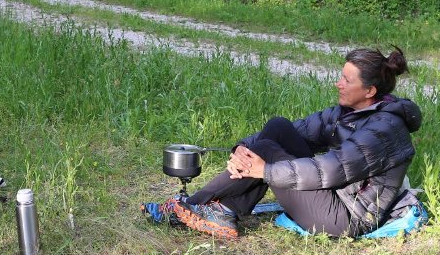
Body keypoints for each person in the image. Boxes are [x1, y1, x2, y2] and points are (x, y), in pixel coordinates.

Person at [166, 47, 422, 240]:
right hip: (336, 192)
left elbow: (332, 169)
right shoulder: (348, 113)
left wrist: (264, 170)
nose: (338, 83)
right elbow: (296, 131)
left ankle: (188, 206)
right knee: (278, 127)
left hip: (347, 217)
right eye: (341, 76)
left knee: (266, 154)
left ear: (370, 92)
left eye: (347, 80)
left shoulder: (384, 130)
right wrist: (242, 149)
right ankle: (223, 210)